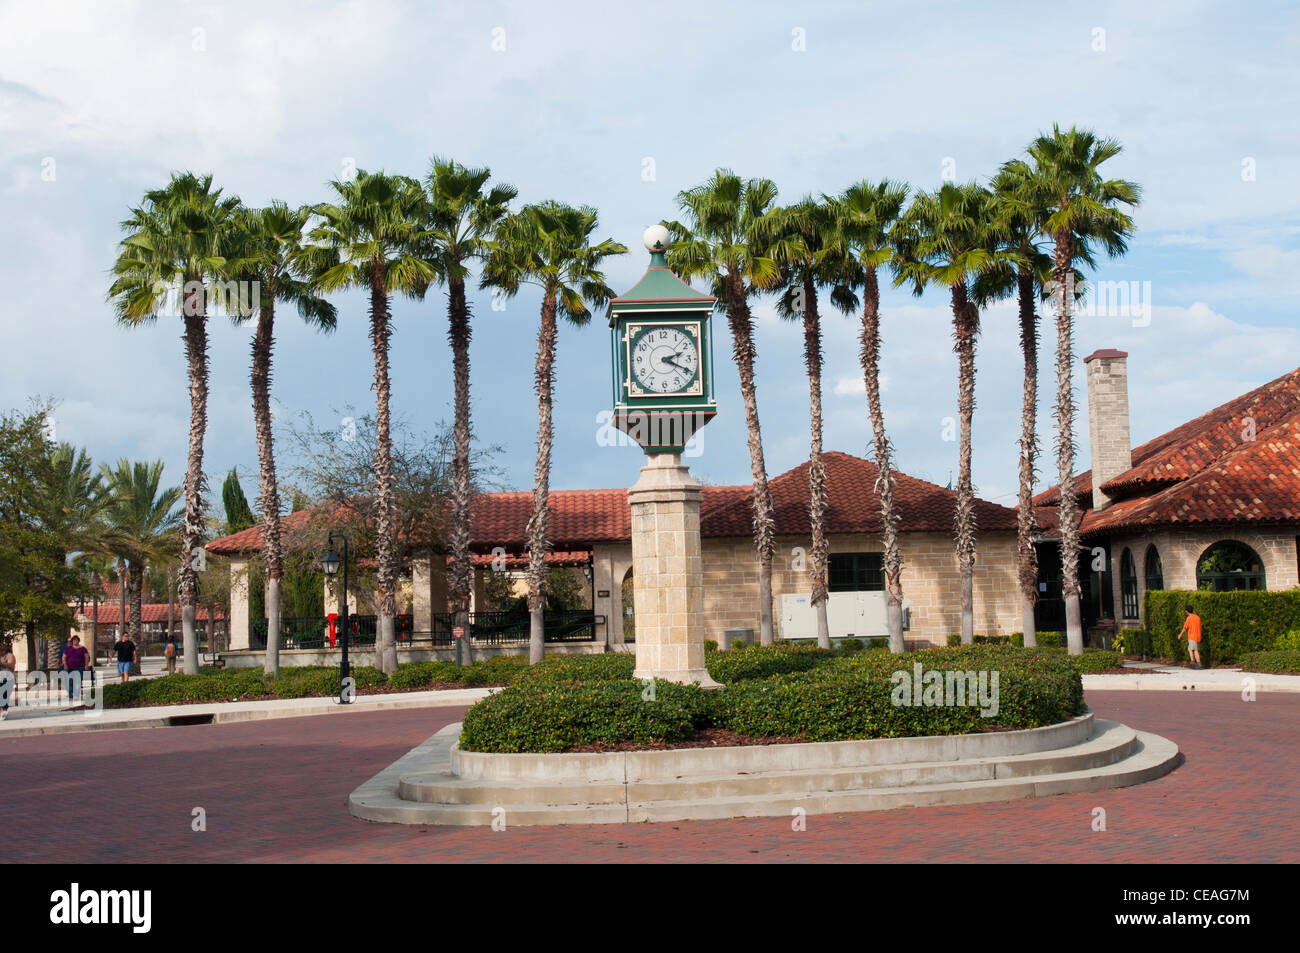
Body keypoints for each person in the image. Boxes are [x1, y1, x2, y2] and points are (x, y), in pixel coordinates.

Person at [60, 635, 90, 702]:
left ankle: (76, 694)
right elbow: (64, 657)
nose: (75, 641)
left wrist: (86, 665)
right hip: (70, 667)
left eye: (76, 640)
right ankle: (71, 693)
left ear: (78, 641)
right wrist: (65, 664)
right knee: (70, 680)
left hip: (80, 667)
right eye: (73, 640)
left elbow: (86, 657)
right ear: (72, 642)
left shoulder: (83, 648)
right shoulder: (69, 649)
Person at [1178, 605, 1203, 669]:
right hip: (1198, 636)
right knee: (1190, 649)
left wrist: (1180, 634)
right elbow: (1201, 627)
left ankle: (1198, 664)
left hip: (1192, 636)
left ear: (1186, 611)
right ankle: (1192, 662)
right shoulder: (1197, 617)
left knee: (1195, 650)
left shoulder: (1189, 618)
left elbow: (1185, 628)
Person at [0, 643, 16, 720]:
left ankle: (3, 711)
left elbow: (11, 666)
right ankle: (2, 712)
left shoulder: (9, 656)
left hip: (7, 679)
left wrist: (2, 663)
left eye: (2, 650)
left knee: (4, 695)